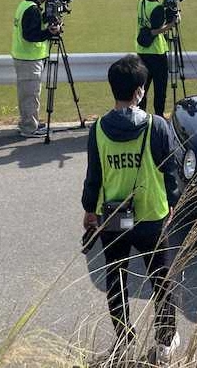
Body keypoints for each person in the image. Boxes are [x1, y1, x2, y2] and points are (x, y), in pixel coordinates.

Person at [82, 54, 181, 366]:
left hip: (113, 217)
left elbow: (94, 177)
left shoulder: (98, 129)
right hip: (152, 215)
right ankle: (165, 342)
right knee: (161, 280)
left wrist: (89, 211)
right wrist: (174, 203)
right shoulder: (157, 126)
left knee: (116, 279)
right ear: (140, 90)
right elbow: (169, 173)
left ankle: (124, 338)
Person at [11, 0, 61, 138]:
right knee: (30, 95)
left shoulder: (25, 5)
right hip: (29, 59)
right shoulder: (31, 9)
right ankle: (29, 128)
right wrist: (49, 32)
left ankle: (31, 122)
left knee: (30, 94)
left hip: (26, 57)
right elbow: (30, 35)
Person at [135, 0, 176, 118]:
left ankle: (140, 116)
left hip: (141, 51)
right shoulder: (157, 7)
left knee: (142, 88)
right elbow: (156, 29)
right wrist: (170, 25)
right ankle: (158, 117)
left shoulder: (141, 2)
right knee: (160, 89)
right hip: (157, 53)